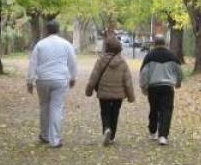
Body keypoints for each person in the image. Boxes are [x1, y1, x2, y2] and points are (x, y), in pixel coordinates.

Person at [27, 20, 77, 148]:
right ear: (58, 30)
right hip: (60, 79)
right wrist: (73, 77)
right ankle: (55, 139)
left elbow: (33, 63)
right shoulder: (66, 44)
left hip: (42, 79)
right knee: (56, 108)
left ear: (46, 30)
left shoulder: (40, 44)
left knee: (44, 107)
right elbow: (72, 62)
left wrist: (30, 81)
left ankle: (44, 135)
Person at [85, 36, 135, 146]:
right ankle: (112, 137)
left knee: (105, 112)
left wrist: (88, 91)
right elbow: (128, 81)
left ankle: (106, 129)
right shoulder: (122, 62)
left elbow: (94, 77)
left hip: (104, 93)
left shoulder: (101, 60)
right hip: (118, 94)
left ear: (106, 47)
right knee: (115, 113)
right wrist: (131, 96)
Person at [139, 35, 183, 145]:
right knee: (166, 110)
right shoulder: (172, 56)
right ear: (165, 44)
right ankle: (163, 136)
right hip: (167, 87)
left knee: (154, 109)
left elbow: (144, 73)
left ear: (154, 44)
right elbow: (179, 71)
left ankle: (153, 131)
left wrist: (143, 87)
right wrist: (178, 82)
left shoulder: (149, 56)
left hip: (153, 87)